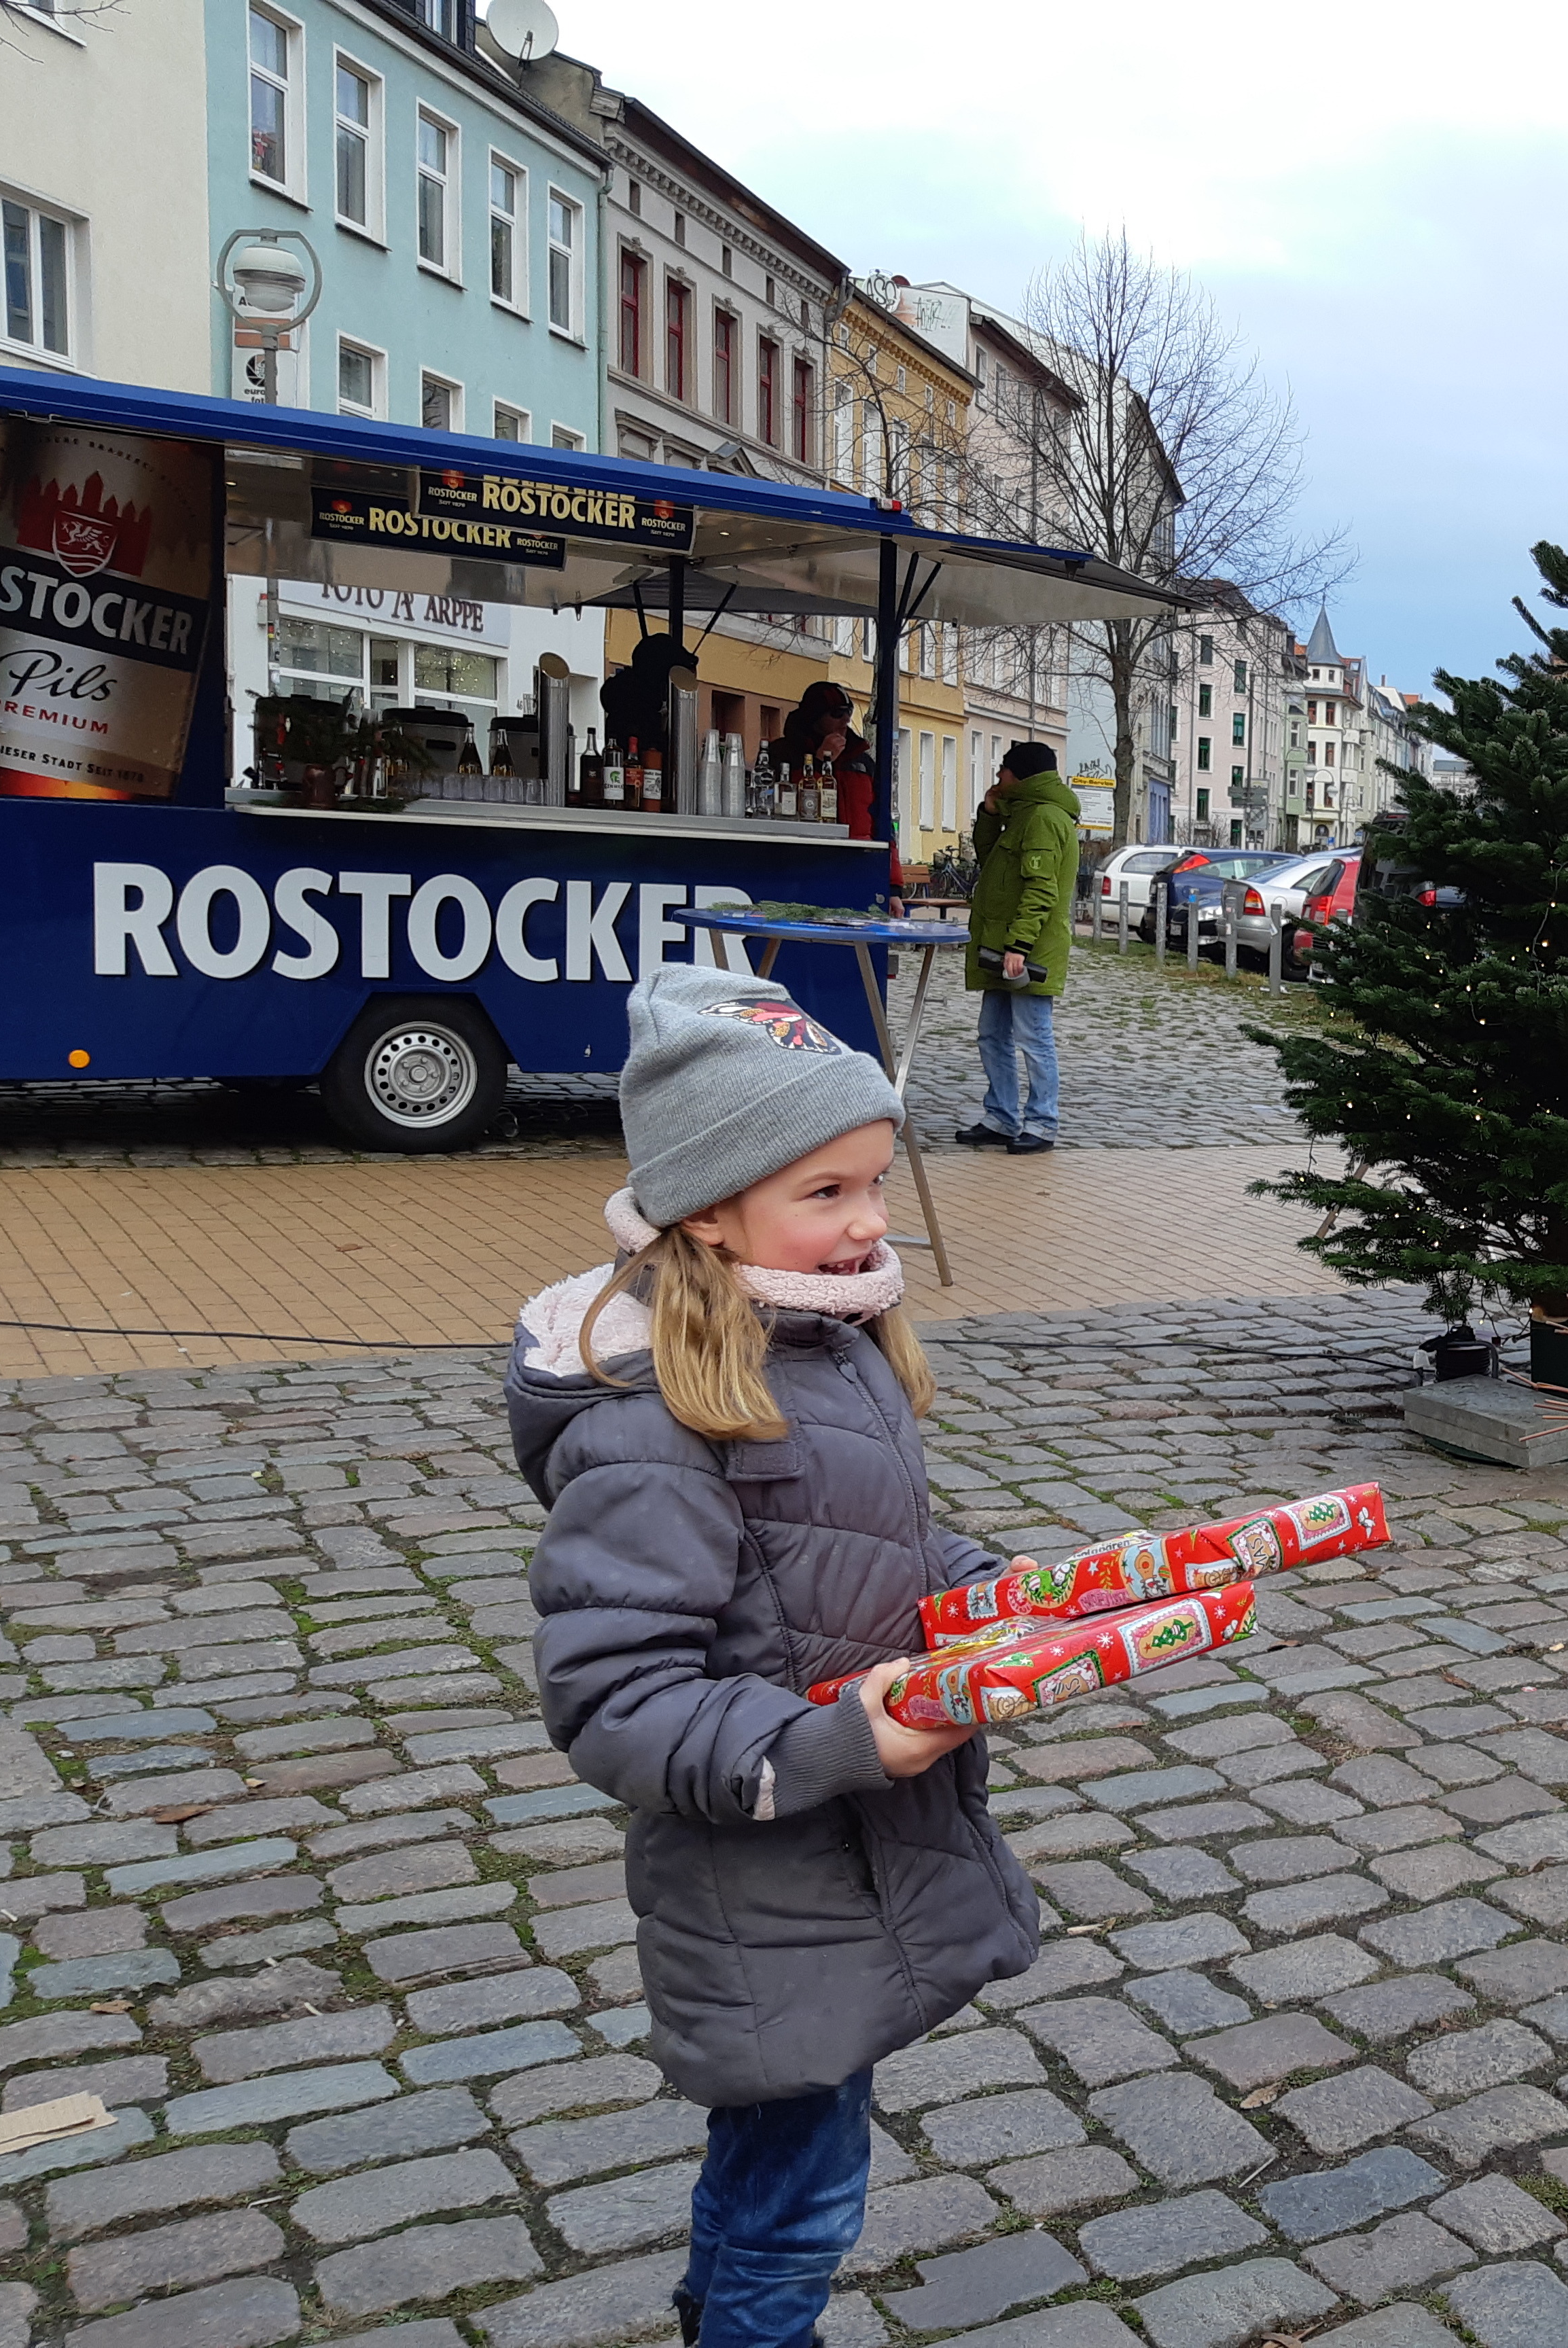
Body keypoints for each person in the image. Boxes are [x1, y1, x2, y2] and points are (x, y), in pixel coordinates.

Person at [508, 965, 1040, 2348]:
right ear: (707, 1206)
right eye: (825, 1193)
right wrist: (840, 1740)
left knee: (775, 2170)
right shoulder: (653, 1430)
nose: (870, 1222)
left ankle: (718, 2315)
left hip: (847, 1859)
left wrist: (990, 1592)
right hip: (767, 1884)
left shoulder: (820, 1333)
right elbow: (619, 1701)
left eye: (875, 1179)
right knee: (804, 2199)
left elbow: (882, 1539)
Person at [957, 741, 1075, 1154]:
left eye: (1003, 771)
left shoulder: (1043, 817)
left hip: (1027, 950)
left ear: (1021, 776)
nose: (998, 778)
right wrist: (989, 815)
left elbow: (1041, 889)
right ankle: (1001, 1117)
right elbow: (993, 863)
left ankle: (1042, 1123)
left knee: (1033, 1037)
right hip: (1003, 945)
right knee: (993, 1034)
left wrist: (1021, 945)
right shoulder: (1023, 814)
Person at [772, 681, 879, 842]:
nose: (846, 720)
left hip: (860, 854)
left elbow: (882, 816)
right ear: (814, 717)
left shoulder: (861, 760)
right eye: (837, 714)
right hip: (806, 851)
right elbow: (784, 806)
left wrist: (891, 864)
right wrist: (819, 762)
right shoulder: (784, 753)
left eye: (849, 713)